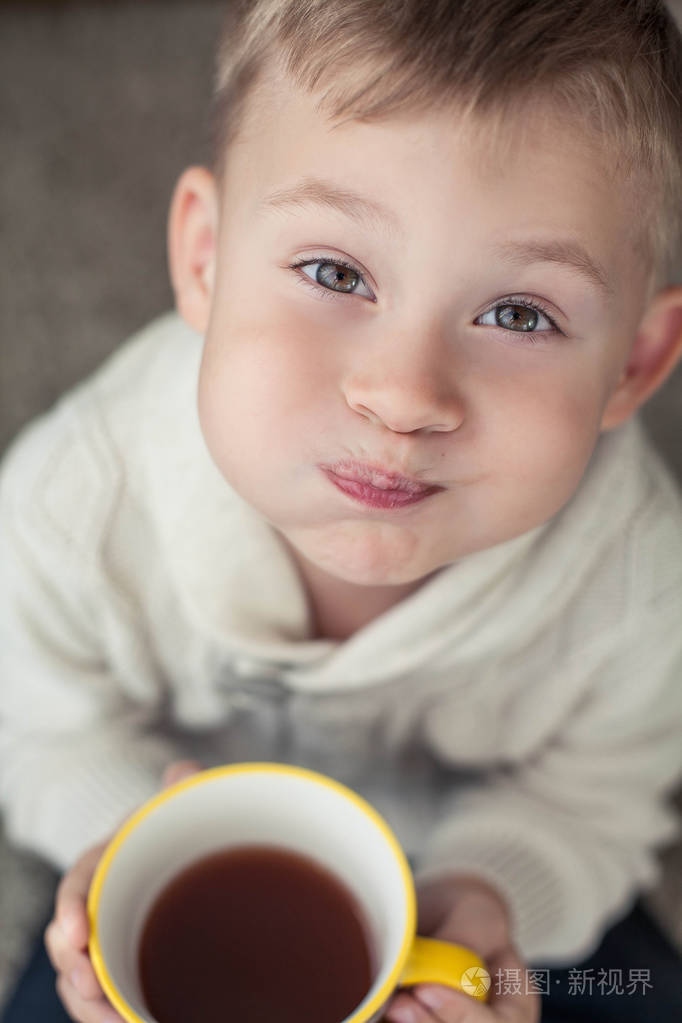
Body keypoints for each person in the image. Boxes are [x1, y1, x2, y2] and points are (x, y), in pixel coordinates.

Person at [1, 0, 681, 1021]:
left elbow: (595, 798)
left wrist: (495, 889)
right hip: (168, 859)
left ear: (632, 362)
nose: (404, 396)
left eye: (517, 312)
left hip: (464, 888)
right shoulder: (77, 502)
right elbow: (35, 727)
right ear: (205, 258)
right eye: (334, 272)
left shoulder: (636, 581)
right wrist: (128, 841)